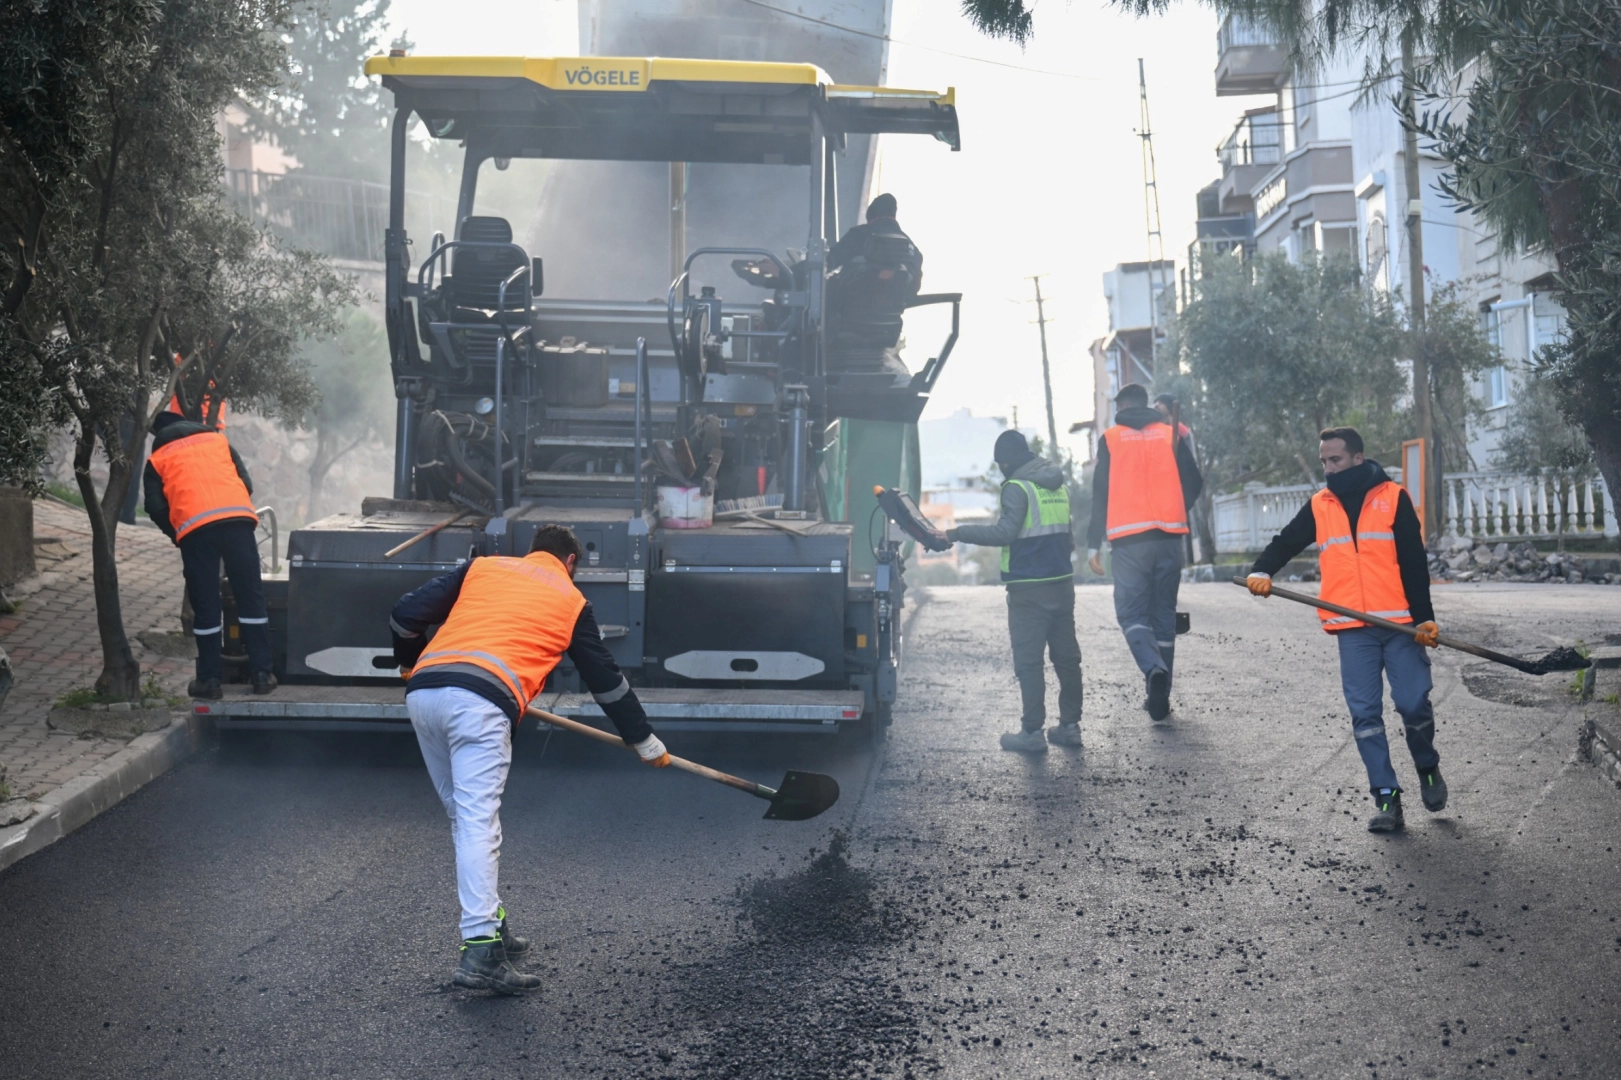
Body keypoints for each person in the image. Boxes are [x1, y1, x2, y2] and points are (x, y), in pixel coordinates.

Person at [390, 524, 671, 994]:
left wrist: (408, 662)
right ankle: (480, 951)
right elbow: (604, 678)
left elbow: (404, 614)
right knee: (480, 823)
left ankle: (491, 927)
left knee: (464, 817)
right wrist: (643, 739)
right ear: (571, 563)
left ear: (531, 552)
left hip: (425, 693)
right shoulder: (570, 598)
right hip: (478, 704)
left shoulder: (484, 568)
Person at [1246, 427, 1446, 833]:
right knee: (1365, 715)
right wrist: (1262, 570)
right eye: (1323, 461)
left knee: (1412, 703)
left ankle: (1427, 766)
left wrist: (1424, 617)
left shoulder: (1393, 498)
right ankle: (1387, 799)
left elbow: (1413, 561)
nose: (1327, 468)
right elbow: (1286, 541)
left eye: (1334, 459)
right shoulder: (1321, 505)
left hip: (1401, 625)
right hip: (1353, 629)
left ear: (1357, 458)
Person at [945, 430, 1083, 753]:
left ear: (1006, 461)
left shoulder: (1016, 487)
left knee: (1029, 660)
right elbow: (1069, 536)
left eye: (1001, 463)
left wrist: (957, 532)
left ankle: (1032, 732)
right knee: (1067, 658)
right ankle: (1070, 726)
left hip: (1028, 590)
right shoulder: (1056, 484)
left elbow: (1005, 532)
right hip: (1062, 584)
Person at [1086, 383, 1203, 721]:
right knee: (1163, 616)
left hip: (1128, 540)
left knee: (1132, 615)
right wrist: (1178, 507)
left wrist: (1093, 542)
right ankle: (1160, 699)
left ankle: (1153, 670)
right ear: (1147, 405)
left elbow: (1099, 493)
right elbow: (1194, 481)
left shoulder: (1111, 439)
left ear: (1120, 406)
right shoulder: (1168, 435)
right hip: (1169, 538)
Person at [143, 410, 272, 698]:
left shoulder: (158, 459)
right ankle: (262, 675)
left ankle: (210, 681)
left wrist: (178, 533)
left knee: (207, 606)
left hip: (196, 532)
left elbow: (154, 507)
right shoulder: (219, 442)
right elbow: (246, 484)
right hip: (238, 522)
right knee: (251, 597)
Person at [827, 192, 923, 277]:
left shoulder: (858, 234)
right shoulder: (914, 251)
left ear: (870, 217)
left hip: (854, 296)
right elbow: (914, 287)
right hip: (897, 297)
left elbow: (829, 261)